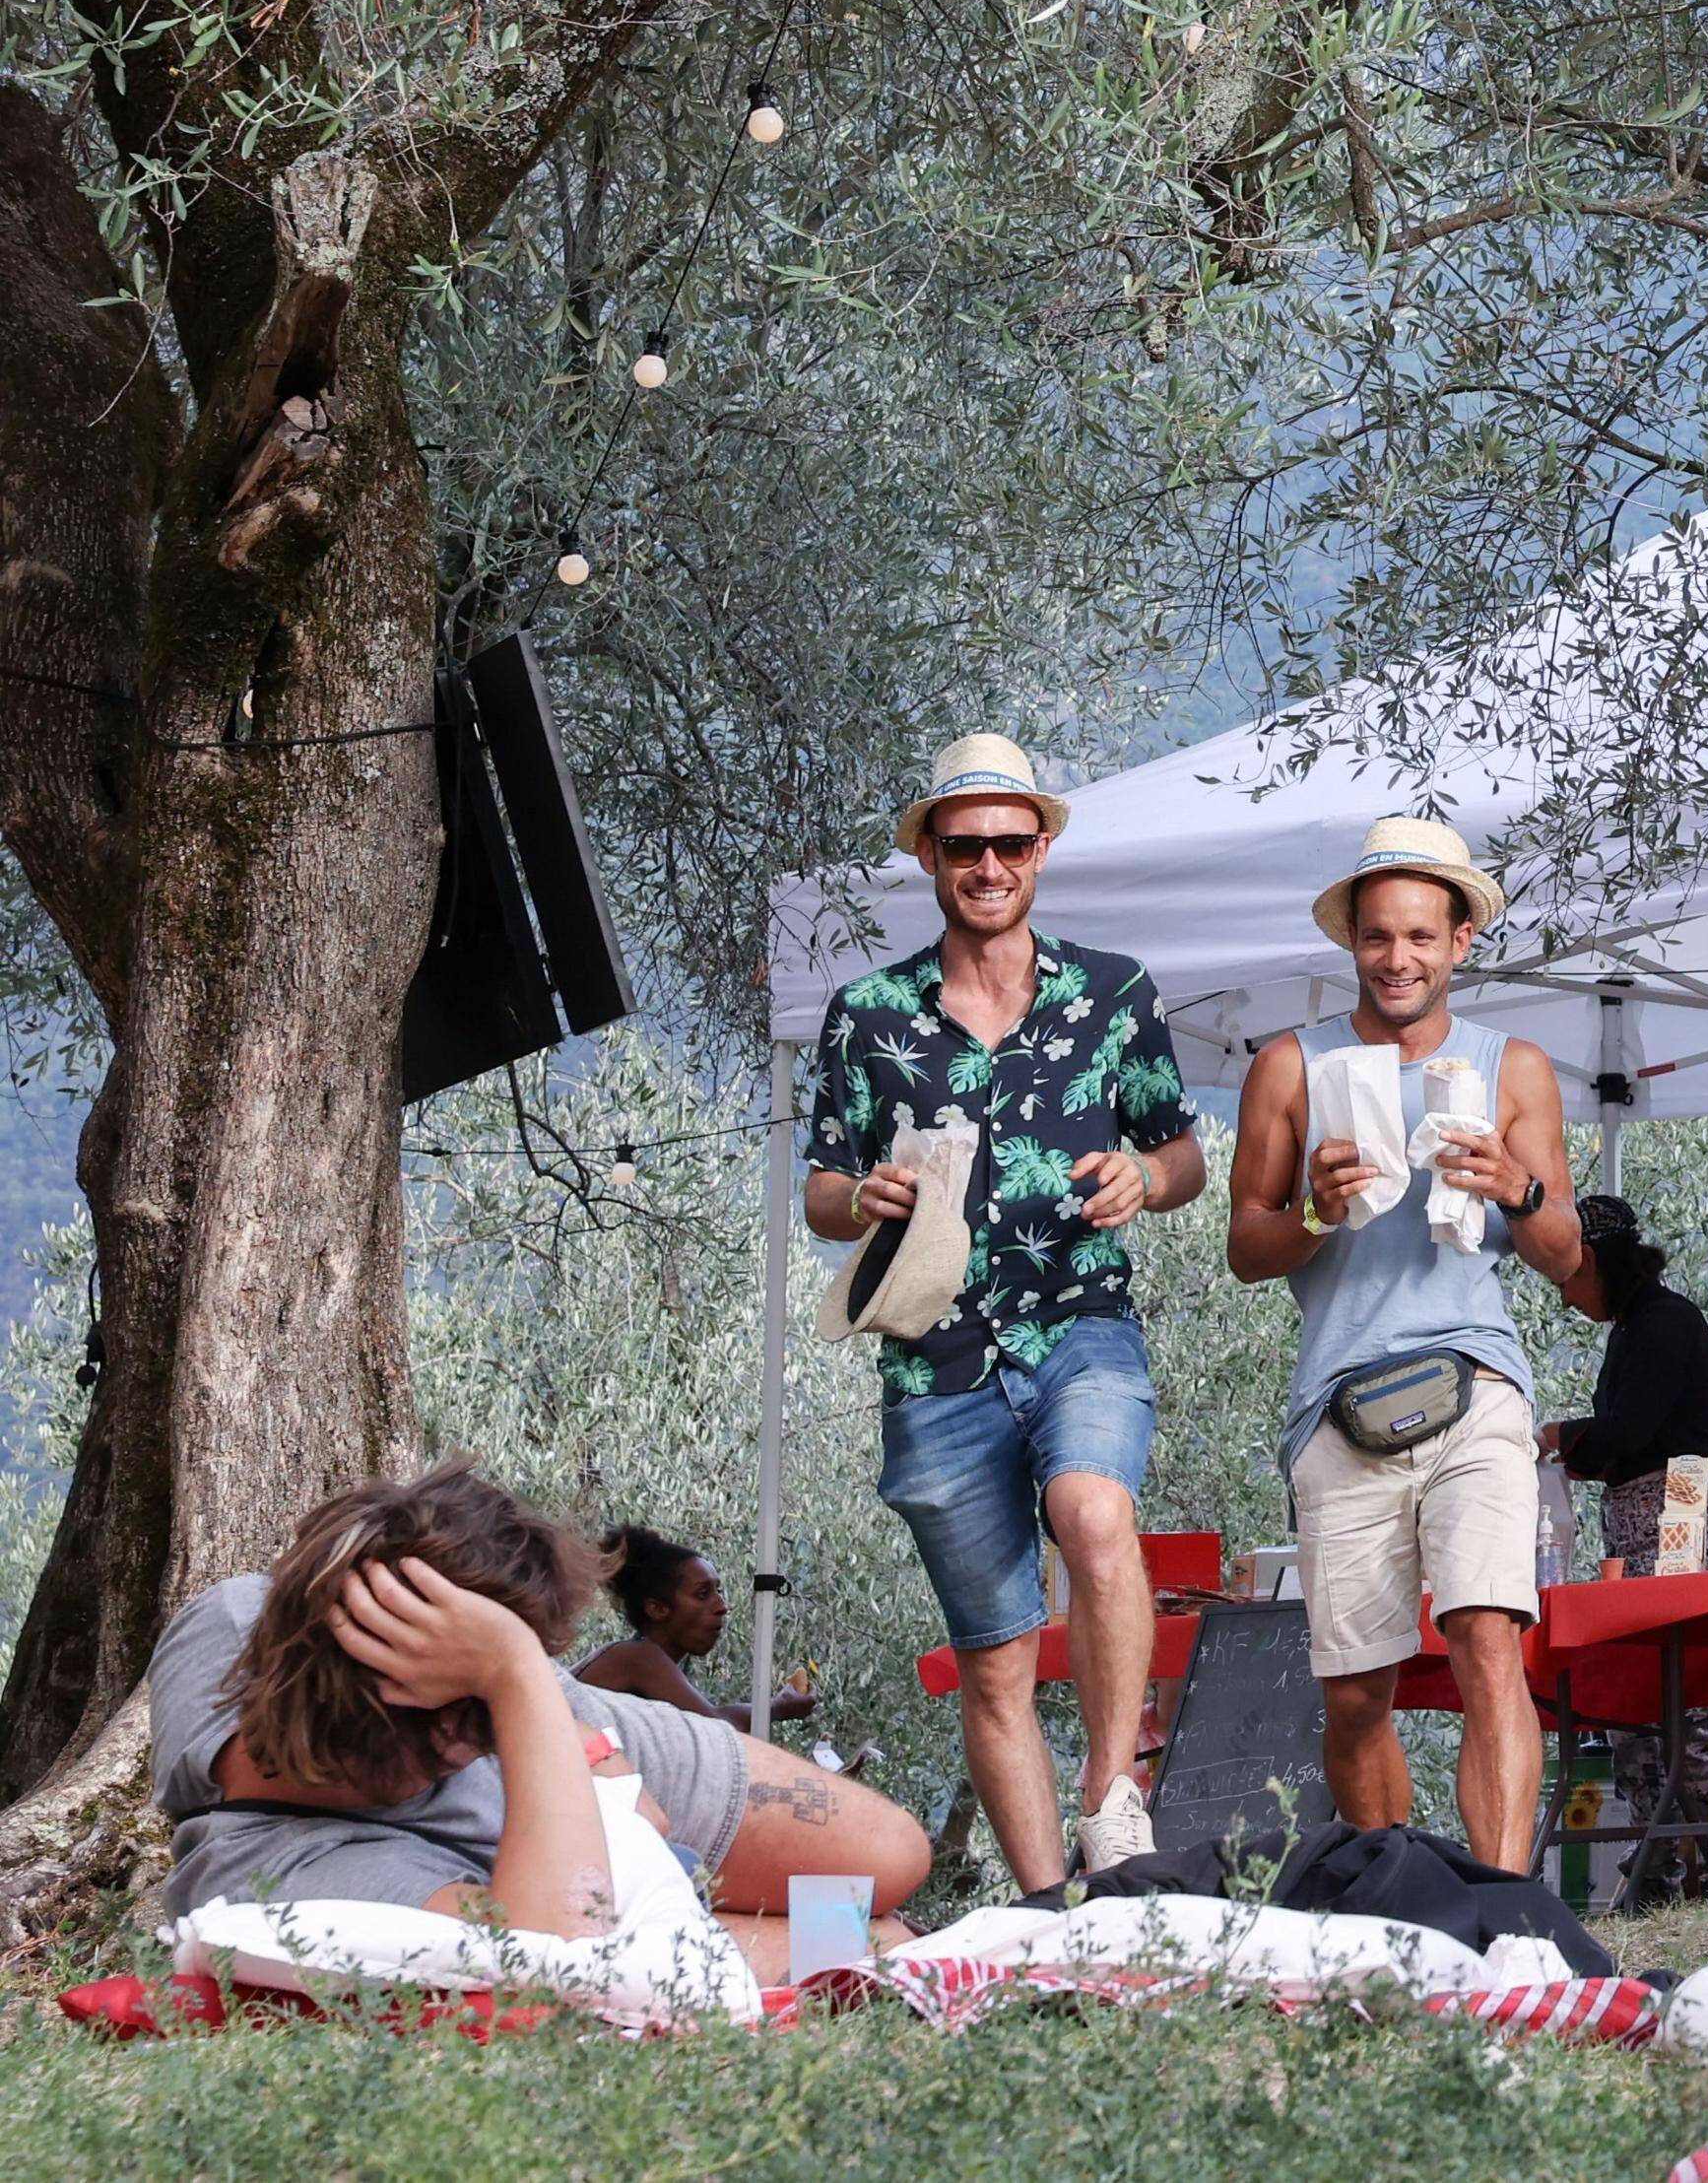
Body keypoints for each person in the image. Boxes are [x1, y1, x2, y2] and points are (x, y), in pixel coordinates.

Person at [807, 732, 1207, 1891]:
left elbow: (1180, 1153)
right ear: (931, 856)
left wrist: (1148, 1180)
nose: (989, 864)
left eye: (1010, 843)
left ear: (1041, 851)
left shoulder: (1113, 992)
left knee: (1093, 1513)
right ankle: (1047, 1916)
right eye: (965, 844)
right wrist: (859, 1196)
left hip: (1080, 1319)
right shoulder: (867, 1014)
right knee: (991, 1668)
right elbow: (823, 1192)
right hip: (932, 1366)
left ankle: (1109, 1800)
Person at [154, 1462, 928, 1973]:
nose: (475, 1750)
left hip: (602, 1741)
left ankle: (718, 1911)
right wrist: (514, 1683)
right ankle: (743, 1925)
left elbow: (643, 1815)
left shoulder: (228, 1617)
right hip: (559, 1890)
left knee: (892, 1857)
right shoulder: (287, 1875)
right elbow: (563, 1962)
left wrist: (578, 1736)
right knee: (877, 1935)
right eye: (476, 1718)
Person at [1229, 816, 1605, 1869]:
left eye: (1420, 939)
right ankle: (1403, 1910)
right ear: (1352, 941)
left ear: (1460, 944)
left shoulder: (1511, 1067)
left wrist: (1514, 1187)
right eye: (1379, 938)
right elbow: (1246, 1250)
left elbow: (1567, 1253)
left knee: (1489, 1640)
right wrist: (1311, 1210)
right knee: (1355, 1694)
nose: (1399, 959)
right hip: (1338, 1399)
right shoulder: (1288, 1068)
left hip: (1476, 1381)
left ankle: (1508, 1909)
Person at [1546, 1198, 1708, 1570]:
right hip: (1643, 1523)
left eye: (1563, 1281)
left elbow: (1629, 1431)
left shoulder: (1665, 1322)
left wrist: (1555, 1435)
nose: (1565, 1300)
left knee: (1682, 1620)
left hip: (1686, 1510)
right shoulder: (1628, 1329)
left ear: (1588, 1259)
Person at [578, 1528, 819, 1733]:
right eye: (702, 1595)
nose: (722, 1606)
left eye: (719, 1591)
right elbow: (714, 1728)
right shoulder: (637, 1658)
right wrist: (777, 1707)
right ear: (657, 1608)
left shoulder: (646, 1660)